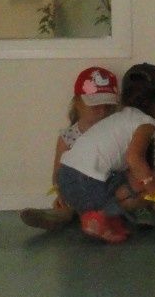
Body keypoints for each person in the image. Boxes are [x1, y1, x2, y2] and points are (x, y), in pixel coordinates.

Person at [56, 63, 155, 243]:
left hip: (66, 178)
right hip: (86, 183)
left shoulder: (122, 117)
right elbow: (134, 159)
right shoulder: (146, 122)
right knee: (141, 182)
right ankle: (98, 216)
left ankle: (103, 217)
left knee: (128, 177)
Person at [19, 65, 119, 231]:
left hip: (106, 188)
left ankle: (98, 218)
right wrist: (60, 192)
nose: (102, 112)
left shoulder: (114, 133)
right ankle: (58, 217)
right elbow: (59, 172)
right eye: (95, 106)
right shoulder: (68, 137)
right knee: (68, 201)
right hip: (80, 189)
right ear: (77, 104)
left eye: (107, 107)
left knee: (119, 194)